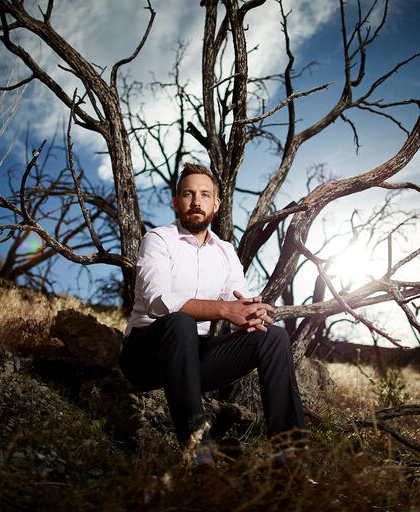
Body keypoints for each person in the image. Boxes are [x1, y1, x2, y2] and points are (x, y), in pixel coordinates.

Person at [119, 163, 305, 462]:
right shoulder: (158, 239)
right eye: (188, 194)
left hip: (193, 360)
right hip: (147, 355)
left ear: (216, 204)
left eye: (205, 195)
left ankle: (289, 454)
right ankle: (200, 455)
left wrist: (250, 314)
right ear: (176, 201)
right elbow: (157, 301)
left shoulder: (226, 252)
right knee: (179, 322)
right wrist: (223, 309)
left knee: (272, 336)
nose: (196, 201)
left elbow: (238, 305)